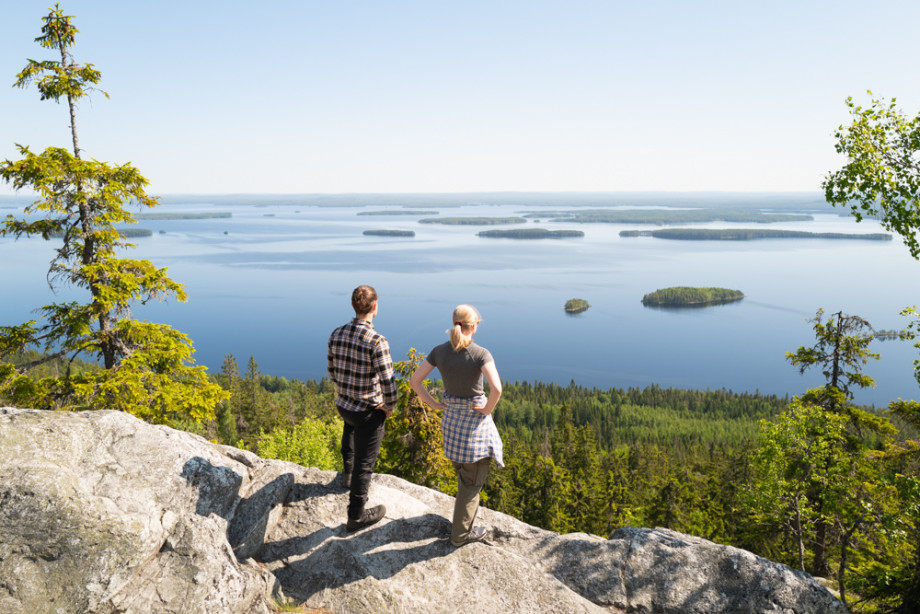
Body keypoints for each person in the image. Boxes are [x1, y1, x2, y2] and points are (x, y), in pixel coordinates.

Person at [409, 304, 503, 547]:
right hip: (474, 428)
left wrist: (433, 404)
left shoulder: (439, 351)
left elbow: (415, 381)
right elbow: (497, 388)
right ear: (474, 326)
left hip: (451, 426)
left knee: (465, 478)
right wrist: (487, 409)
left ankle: (463, 525)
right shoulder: (480, 353)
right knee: (471, 484)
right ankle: (460, 536)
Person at [327, 285, 397, 532]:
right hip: (368, 411)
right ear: (375, 306)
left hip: (344, 405)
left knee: (350, 431)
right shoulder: (377, 341)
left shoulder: (337, 334)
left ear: (354, 306)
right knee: (365, 464)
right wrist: (388, 407)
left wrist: (348, 392)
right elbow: (388, 381)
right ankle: (356, 515)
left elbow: (332, 372)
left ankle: (346, 475)